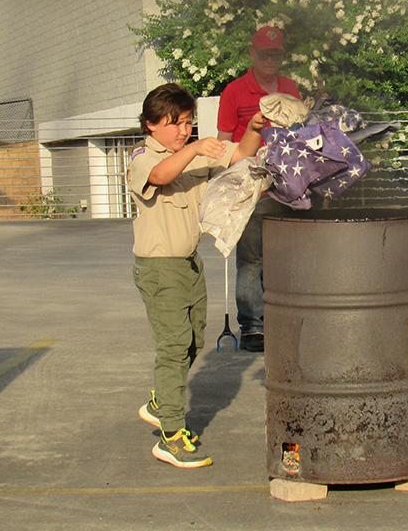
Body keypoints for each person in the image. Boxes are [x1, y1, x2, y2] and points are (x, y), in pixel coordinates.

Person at [129, 83, 263, 468]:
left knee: (193, 341)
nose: (183, 130)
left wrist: (253, 127)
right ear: (151, 124)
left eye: (188, 123)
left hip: (188, 263)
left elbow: (241, 154)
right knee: (174, 346)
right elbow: (158, 176)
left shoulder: (192, 152)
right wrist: (194, 148)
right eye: (175, 123)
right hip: (159, 268)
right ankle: (171, 435)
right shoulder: (144, 156)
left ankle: (160, 401)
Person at [217, 26, 302, 352]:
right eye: (264, 54)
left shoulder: (290, 88)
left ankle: (282, 318)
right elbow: (224, 141)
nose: (270, 60)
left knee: (284, 257)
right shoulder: (234, 91)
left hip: (288, 187)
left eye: (276, 54)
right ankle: (253, 326)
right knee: (252, 259)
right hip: (252, 187)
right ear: (252, 53)